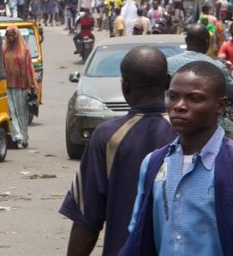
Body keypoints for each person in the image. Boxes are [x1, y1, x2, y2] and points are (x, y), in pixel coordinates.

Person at [121, 61, 233, 256]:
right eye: (173, 96)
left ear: (220, 106)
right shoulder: (153, 163)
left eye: (194, 99)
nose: (179, 106)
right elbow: (137, 236)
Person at [61, 46, 176, 256]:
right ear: (168, 81)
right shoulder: (188, 133)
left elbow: (87, 218)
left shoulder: (106, 136)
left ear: (125, 86)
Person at [167, 23, 233, 144]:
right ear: (207, 42)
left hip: (171, 122)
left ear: (187, 41)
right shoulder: (217, 66)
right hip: (207, 126)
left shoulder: (167, 64)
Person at [2, 25, 37, 148]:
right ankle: (17, 137)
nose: (10, 38)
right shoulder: (4, 49)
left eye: (12, 35)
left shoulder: (24, 50)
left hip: (21, 86)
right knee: (11, 111)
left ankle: (24, 138)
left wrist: (32, 84)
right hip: (7, 86)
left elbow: (30, 68)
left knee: (22, 113)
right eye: (8, 36)